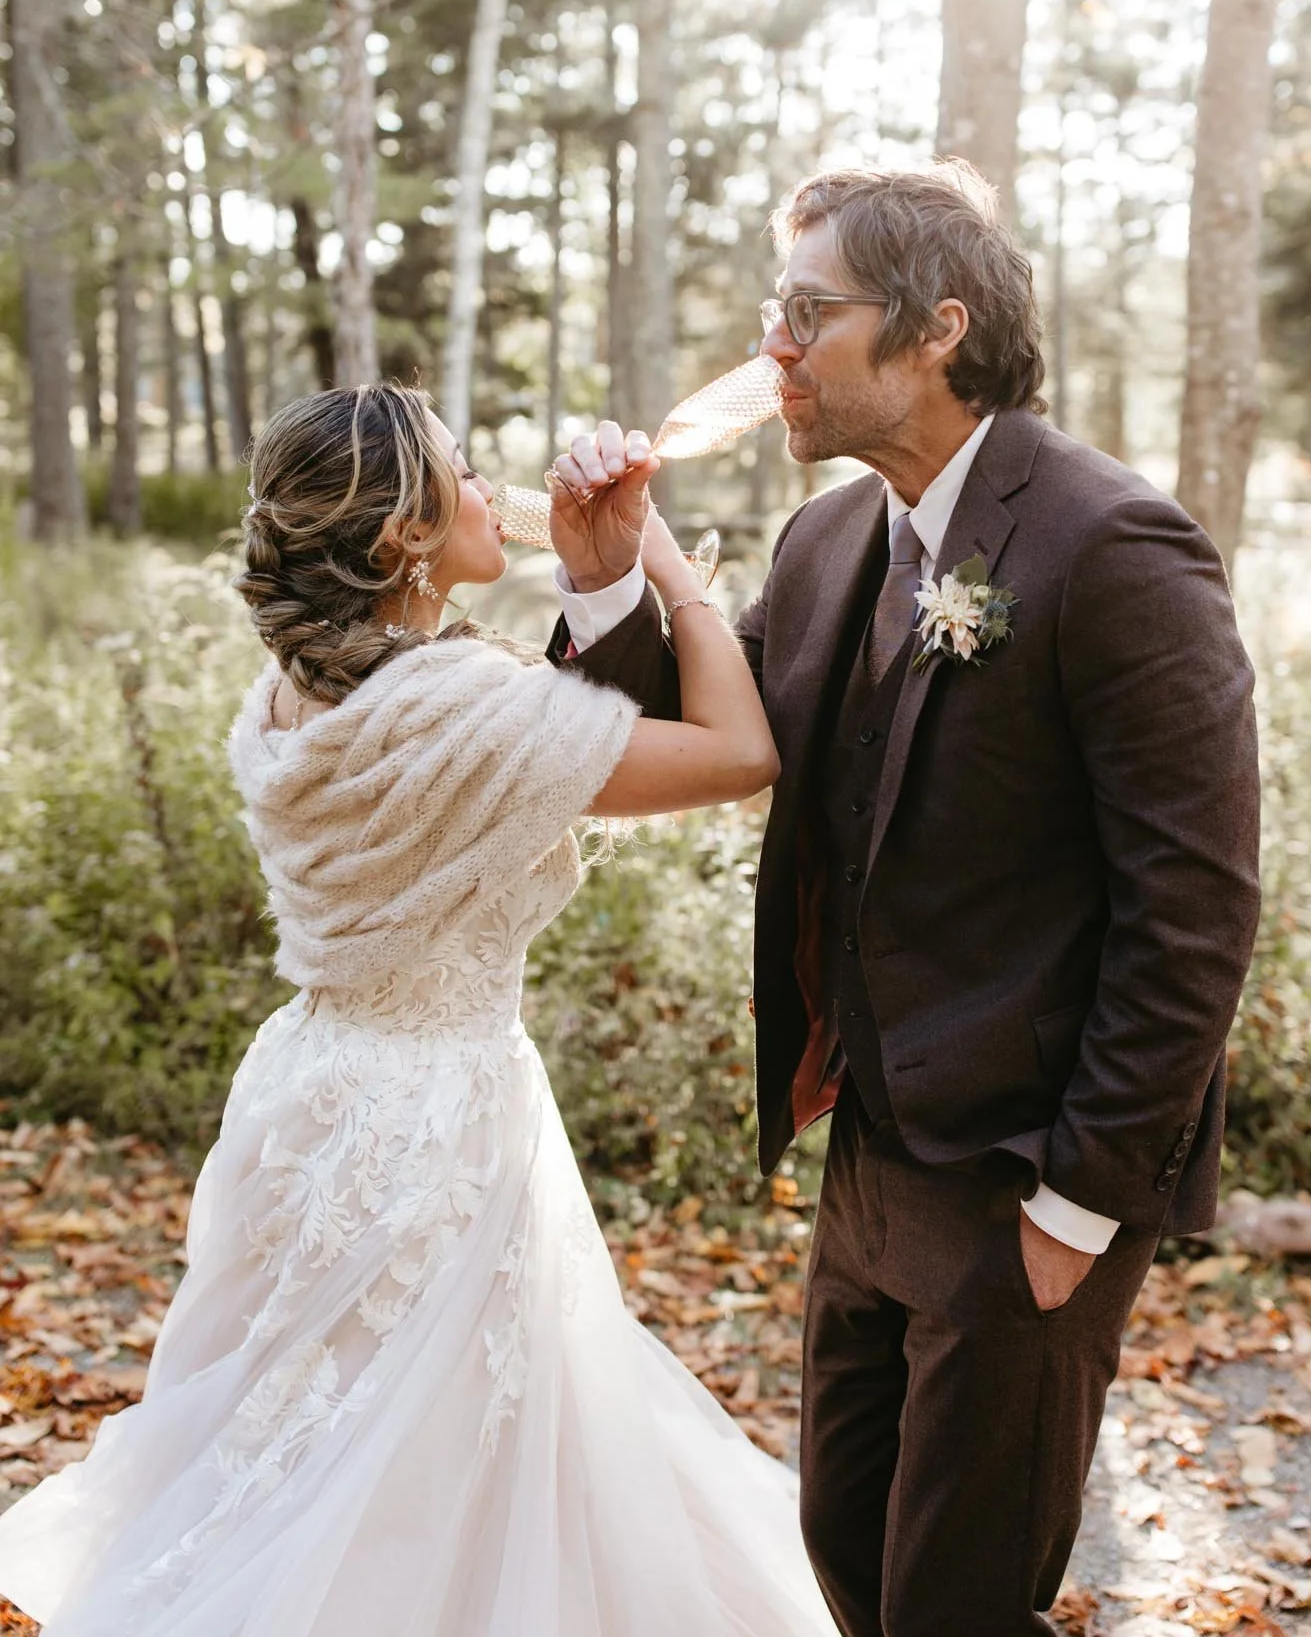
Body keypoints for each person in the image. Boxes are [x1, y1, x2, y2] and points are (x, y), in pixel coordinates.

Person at [549, 162, 1262, 1637]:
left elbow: (1190, 909)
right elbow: (706, 736)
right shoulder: (824, 546)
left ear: (936, 329)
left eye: (807, 314)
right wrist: (610, 585)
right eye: (772, 312)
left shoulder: (1112, 547)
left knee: (955, 1594)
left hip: (1025, 1171)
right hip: (868, 1154)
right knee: (843, 1541)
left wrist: (1079, 1200)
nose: (774, 353)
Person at [0, 383, 838, 1637]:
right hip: (433, 1130)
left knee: (309, 1437)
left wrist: (586, 579)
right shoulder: (455, 707)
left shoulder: (299, 692)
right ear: (401, 536)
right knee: (420, 1455)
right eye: (458, 463)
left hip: (314, 1094)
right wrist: (666, 566)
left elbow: (512, 746)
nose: (489, 478)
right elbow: (735, 752)